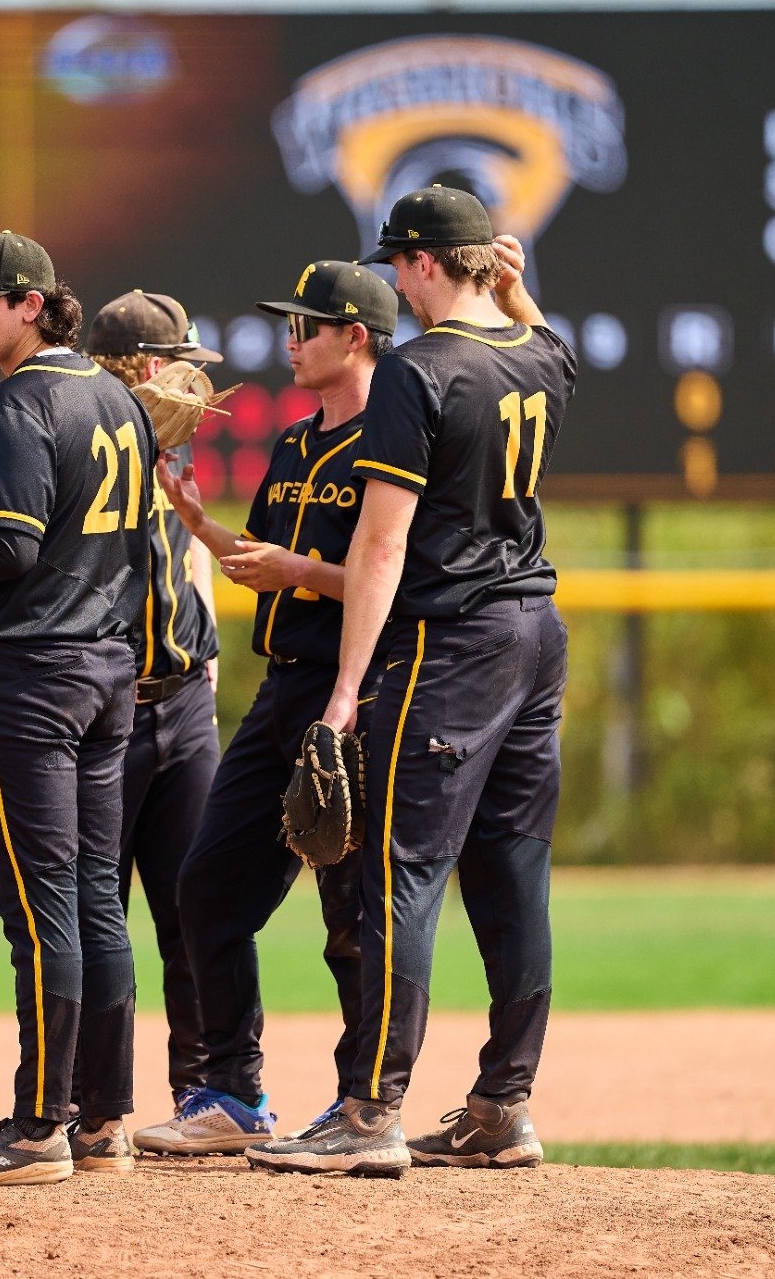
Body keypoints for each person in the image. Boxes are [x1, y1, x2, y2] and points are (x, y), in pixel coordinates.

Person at [244, 186, 571, 1178]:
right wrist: (519, 297)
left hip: (451, 643)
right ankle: (501, 1102)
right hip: (535, 632)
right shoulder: (542, 353)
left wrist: (344, 690)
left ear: (430, 262)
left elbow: (381, 543)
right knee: (512, 873)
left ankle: (366, 1109)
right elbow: (537, 335)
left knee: (399, 869)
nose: (393, 278)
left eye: (399, 262)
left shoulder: (418, 371)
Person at [0, 232, 155, 1185]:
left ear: (34, 305)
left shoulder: (18, 402)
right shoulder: (119, 401)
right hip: (108, 669)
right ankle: (106, 1119)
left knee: (41, 905)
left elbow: (5, 548)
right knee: (96, 900)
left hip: (31, 669)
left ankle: (40, 1126)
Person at [128, 261, 398, 1154]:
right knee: (206, 885)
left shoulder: (395, 441)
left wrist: (302, 576)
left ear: (355, 335)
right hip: (279, 688)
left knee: (350, 914)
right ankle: (232, 1097)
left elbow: (392, 578)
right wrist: (201, 525)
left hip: (347, 697)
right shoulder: (293, 441)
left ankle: (363, 1107)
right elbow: (265, 556)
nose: (290, 338)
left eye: (307, 325)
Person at [80, 290, 223, 1108]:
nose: (196, 389)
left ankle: (204, 1095)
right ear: (150, 369)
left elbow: (192, 544)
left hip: (182, 703)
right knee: (93, 909)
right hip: (105, 713)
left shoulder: (172, 445)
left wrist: (208, 651)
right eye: (183, 367)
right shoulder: (78, 442)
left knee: (193, 909)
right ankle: (91, 1104)